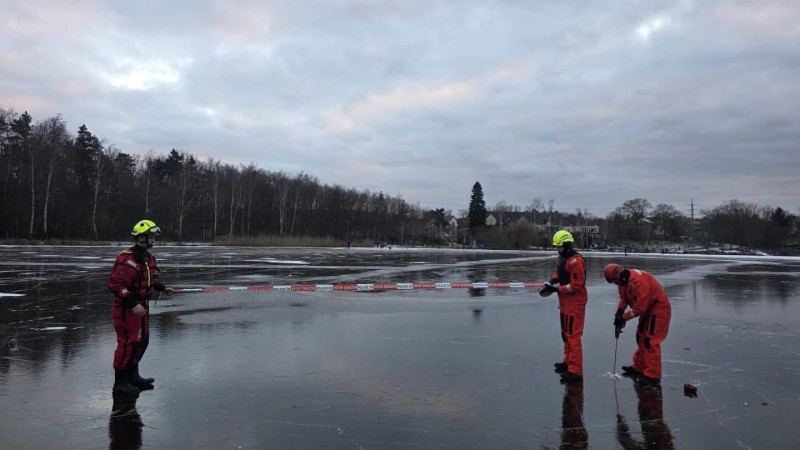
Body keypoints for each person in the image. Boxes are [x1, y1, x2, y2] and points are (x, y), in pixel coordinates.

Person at [108, 219, 173, 395]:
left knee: (142, 342)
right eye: (151, 236)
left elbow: (152, 279)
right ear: (142, 237)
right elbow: (116, 286)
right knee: (128, 344)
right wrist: (133, 304)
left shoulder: (148, 258)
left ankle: (133, 375)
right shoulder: (127, 259)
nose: (154, 239)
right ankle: (120, 383)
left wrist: (162, 288)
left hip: (142, 307)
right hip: (126, 309)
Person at [604, 263, 672, 388]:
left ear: (617, 274)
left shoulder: (638, 282)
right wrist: (619, 312)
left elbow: (640, 308)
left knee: (649, 341)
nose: (615, 284)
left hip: (658, 309)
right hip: (648, 310)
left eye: (614, 280)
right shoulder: (623, 282)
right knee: (640, 336)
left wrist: (623, 318)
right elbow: (624, 299)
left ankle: (653, 376)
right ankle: (639, 367)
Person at [540, 230, 588, 383]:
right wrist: (552, 281)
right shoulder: (563, 257)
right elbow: (558, 271)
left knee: (573, 336)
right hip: (565, 301)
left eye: (559, 247)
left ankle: (575, 371)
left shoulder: (577, 262)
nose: (557, 250)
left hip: (575, 301)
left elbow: (576, 286)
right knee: (565, 334)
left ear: (567, 245)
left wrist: (557, 289)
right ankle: (568, 362)